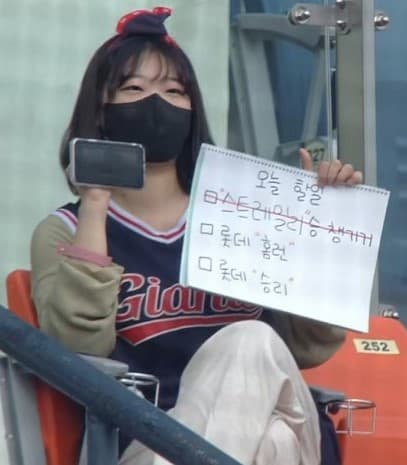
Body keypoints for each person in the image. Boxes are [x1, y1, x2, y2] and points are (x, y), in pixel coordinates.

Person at [30, 7, 363, 465]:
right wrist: (94, 205)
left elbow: (311, 345)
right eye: (134, 88)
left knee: (250, 342)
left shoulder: (245, 214)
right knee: (273, 442)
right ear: (100, 109)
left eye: (174, 91)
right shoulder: (64, 229)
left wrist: (310, 224)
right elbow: (78, 352)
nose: (157, 102)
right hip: (144, 444)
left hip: (274, 424)